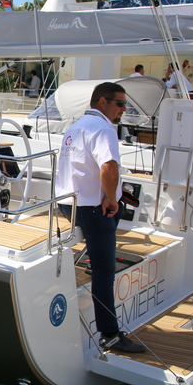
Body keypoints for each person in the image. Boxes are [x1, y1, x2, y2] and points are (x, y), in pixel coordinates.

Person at [55, 82, 146, 354]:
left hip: (69, 205)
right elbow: (108, 167)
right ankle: (109, 334)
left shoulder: (75, 127)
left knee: (102, 263)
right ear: (103, 102)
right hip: (94, 209)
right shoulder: (103, 128)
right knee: (105, 272)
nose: (123, 110)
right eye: (120, 104)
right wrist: (109, 198)